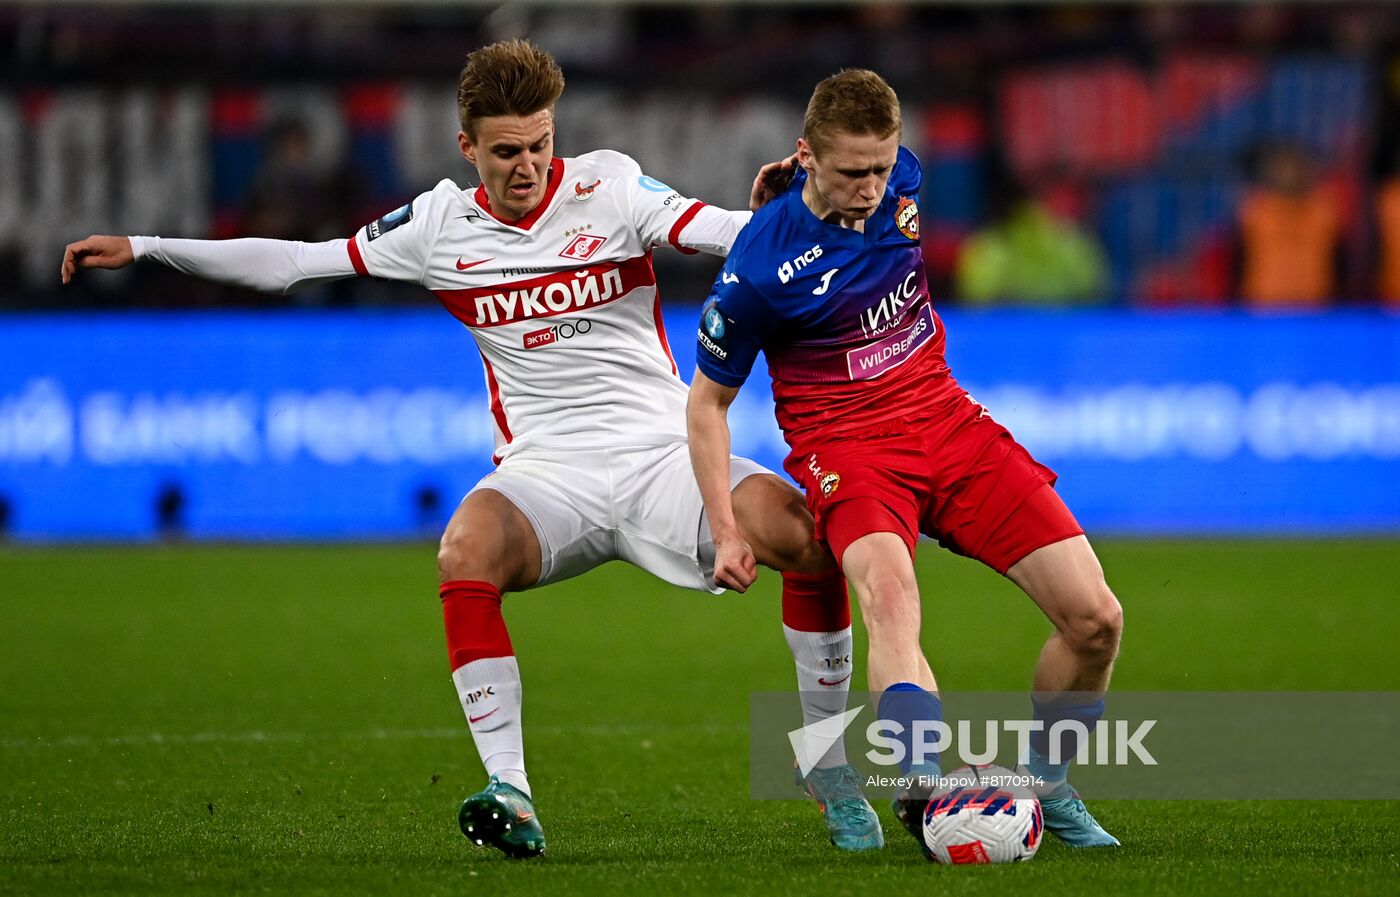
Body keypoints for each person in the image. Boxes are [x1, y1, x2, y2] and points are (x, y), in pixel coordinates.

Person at [61, 40, 882, 858]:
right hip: (547, 475)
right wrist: (147, 246)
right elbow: (294, 264)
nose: (528, 166)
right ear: (468, 148)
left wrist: (787, 216)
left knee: (807, 539)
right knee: (464, 550)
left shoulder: (611, 183)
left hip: (661, 456)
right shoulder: (436, 226)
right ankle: (511, 790)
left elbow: (719, 230)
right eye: (506, 152)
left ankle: (826, 764)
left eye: (539, 144)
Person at [686, 69, 1124, 854]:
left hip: (950, 425)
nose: (872, 187)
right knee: (890, 598)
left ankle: (1051, 785)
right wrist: (726, 530)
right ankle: (925, 792)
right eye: (853, 171)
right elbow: (707, 404)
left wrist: (851, 177)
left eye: (883, 167)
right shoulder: (757, 269)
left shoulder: (901, 181)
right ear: (806, 156)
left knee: (1096, 619)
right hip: (849, 452)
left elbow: (881, 171)